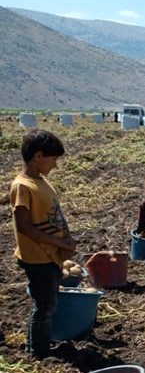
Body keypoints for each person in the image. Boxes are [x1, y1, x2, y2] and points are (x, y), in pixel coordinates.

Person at [10, 129, 76, 359]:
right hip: (37, 258)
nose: (55, 165)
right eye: (53, 159)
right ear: (39, 156)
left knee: (48, 302)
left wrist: (65, 242)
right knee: (45, 306)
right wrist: (58, 241)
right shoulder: (23, 186)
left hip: (50, 255)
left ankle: (40, 345)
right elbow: (24, 227)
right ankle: (37, 352)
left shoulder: (41, 182)